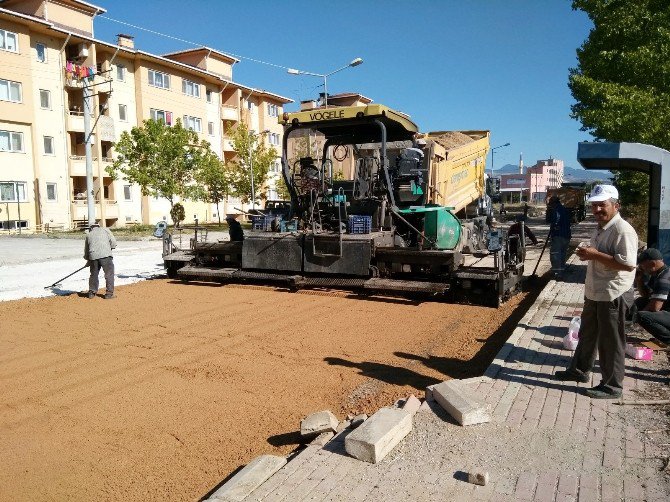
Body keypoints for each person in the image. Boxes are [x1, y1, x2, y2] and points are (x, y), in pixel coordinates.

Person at [555, 184, 638, 399]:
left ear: (616, 205)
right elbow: (600, 255)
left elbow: (628, 264)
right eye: (594, 206)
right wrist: (588, 254)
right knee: (587, 334)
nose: (597, 210)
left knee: (610, 341)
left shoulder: (623, 230)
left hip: (612, 292)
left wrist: (593, 254)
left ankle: (612, 386)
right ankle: (580, 371)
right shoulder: (602, 227)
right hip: (596, 291)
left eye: (602, 205)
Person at [632, 247, 670, 344]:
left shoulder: (664, 278)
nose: (642, 269)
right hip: (667, 309)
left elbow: (655, 307)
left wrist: (638, 319)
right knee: (640, 302)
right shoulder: (658, 273)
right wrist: (639, 280)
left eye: (643, 266)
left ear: (653, 264)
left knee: (643, 316)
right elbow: (646, 296)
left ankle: (668, 340)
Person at [84, 222, 116, 299]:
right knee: (109, 274)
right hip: (106, 256)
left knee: (93, 275)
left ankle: (92, 292)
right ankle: (109, 294)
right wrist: (109, 249)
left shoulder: (89, 234)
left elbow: (86, 250)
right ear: (98, 226)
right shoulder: (105, 230)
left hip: (93, 257)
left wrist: (88, 260)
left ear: (91, 228)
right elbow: (114, 243)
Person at [548, 195, 572, 278]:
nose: (550, 205)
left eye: (550, 203)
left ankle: (557, 274)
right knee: (562, 254)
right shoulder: (564, 209)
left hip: (559, 235)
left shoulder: (556, 209)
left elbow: (556, 220)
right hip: (567, 235)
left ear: (554, 203)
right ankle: (561, 270)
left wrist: (554, 226)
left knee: (555, 254)